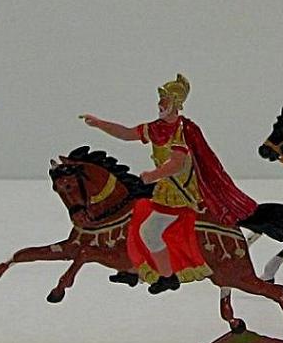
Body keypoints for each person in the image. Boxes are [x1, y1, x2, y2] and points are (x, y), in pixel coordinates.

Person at [82, 74, 257, 293]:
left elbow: (176, 163)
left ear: (175, 104)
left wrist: (153, 175)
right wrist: (100, 124)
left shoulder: (183, 131)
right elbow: (127, 133)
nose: (160, 104)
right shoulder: (156, 128)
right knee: (135, 216)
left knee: (150, 232)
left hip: (180, 194)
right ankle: (135, 268)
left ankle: (167, 277)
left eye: (164, 100)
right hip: (163, 190)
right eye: (160, 100)